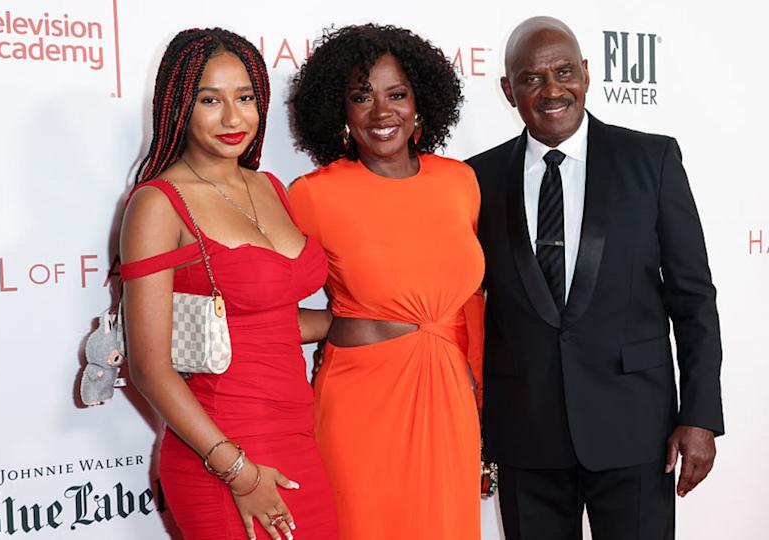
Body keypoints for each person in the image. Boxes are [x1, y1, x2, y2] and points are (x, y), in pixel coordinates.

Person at [466, 16, 724, 540]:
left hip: (636, 430)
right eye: (531, 78)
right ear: (507, 89)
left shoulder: (651, 160)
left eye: (564, 71)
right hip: (524, 435)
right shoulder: (477, 179)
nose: (552, 89)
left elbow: (693, 296)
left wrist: (700, 415)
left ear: (586, 73)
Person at [119, 28, 337, 540]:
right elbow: (150, 368)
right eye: (209, 100)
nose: (233, 118)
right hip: (221, 453)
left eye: (245, 98)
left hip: (300, 439)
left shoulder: (270, 187)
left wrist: (350, 322)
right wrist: (238, 472)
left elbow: (266, 317)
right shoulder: (158, 203)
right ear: (178, 107)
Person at [286, 23, 485, 540]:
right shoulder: (313, 195)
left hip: (451, 399)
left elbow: (470, 303)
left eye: (396, 94)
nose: (381, 113)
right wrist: (332, 321)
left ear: (419, 104)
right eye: (361, 97)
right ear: (341, 112)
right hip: (360, 406)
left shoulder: (459, 182)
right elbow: (262, 296)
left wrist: (482, 401)